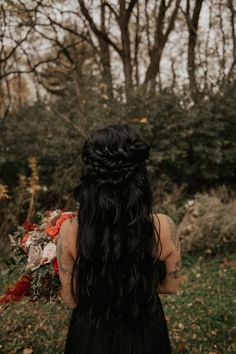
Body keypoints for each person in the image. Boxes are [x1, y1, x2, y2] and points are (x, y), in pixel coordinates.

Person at [56, 123, 181, 354]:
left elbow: (71, 299)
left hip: (90, 336)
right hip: (146, 334)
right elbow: (171, 286)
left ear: (90, 179)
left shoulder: (69, 230)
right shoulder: (165, 226)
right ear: (140, 177)